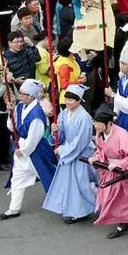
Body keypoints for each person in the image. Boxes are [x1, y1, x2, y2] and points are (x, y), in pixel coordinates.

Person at [0, 79, 58, 219]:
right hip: (22, 148)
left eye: (23, 94)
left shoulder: (37, 114)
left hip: (35, 151)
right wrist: (10, 112)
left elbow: (34, 137)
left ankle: (65, 206)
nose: (20, 96)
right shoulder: (19, 107)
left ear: (31, 96)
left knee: (49, 178)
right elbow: (12, 127)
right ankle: (14, 208)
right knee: (17, 178)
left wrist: (24, 151)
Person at [90, 103, 128, 239]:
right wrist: (96, 157)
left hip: (127, 170)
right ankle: (123, 223)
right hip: (111, 170)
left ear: (109, 123)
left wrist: (120, 163)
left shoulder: (121, 134)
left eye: (98, 123)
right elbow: (100, 150)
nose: (95, 126)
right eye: (95, 122)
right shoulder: (100, 134)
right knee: (116, 199)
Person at [43, 84, 97, 223]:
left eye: (71, 100)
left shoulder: (84, 117)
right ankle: (72, 209)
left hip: (80, 154)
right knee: (69, 183)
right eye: (66, 99)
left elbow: (82, 141)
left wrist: (62, 150)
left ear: (79, 100)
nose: (67, 102)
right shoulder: (64, 113)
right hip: (68, 152)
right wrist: (56, 130)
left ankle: (80, 210)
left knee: (80, 183)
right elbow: (61, 136)